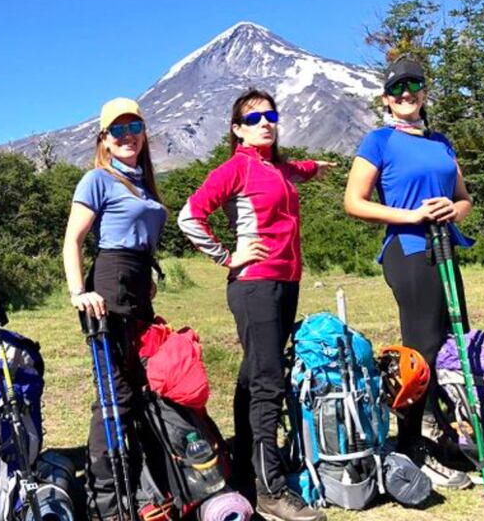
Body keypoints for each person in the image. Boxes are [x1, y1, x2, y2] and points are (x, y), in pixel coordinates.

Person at [178, 89, 333, 521]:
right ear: (237, 129)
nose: (265, 122)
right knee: (268, 383)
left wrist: (312, 169)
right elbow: (190, 216)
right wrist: (228, 256)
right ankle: (270, 490)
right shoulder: (235, 169)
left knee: (253, 377)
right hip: (256, 285)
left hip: (286, 282)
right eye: (253, 118)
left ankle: (244, 468)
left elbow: (290, 171)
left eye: (271, 115)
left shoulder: (277, 169)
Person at [343, 55, 474, 489]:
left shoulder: (441, 141)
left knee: (456, 339)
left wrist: (453, 209)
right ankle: (412, 444)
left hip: (445, 246)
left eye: (413, 85)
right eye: (397, 89)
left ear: (424, 92)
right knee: (423, 348)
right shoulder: (378, 140)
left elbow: (463, 199)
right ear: (386, 99)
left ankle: (449, 434)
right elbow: (355, 201)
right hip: (408, 248)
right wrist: (410, 214)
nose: (406, 94)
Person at [63, 97, 167, 521]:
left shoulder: (143, 182)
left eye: (134, 128)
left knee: (142, 391)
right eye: (117, 131)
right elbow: (73, 241)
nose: (127, 137)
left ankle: (143, 488)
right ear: (103, 140)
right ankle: (107, 501)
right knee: (114, 397)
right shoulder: (97, 179)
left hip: (138, 288)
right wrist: (78, 293)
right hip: (109, 286)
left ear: (143, 133)